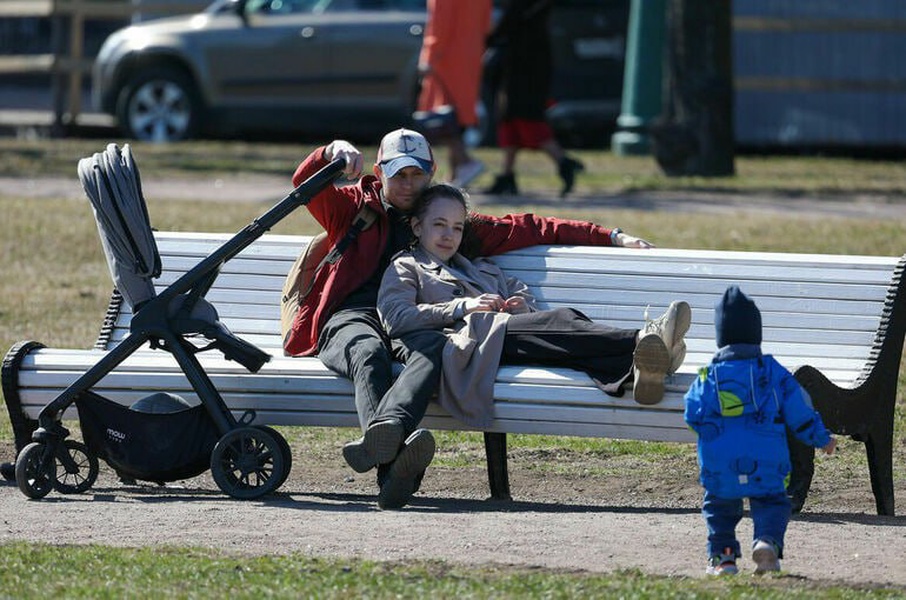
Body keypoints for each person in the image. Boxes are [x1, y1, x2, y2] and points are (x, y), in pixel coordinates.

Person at [285, 127, 656, 509]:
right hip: (352, 316)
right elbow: (303, 184)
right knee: (367, 354)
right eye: (398, 174)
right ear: (379, 172)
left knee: (430, 347)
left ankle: (393, 472)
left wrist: (610, 235)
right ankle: (389, 462)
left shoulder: (446, 220)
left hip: (414, 322)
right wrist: (330, 152)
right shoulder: (352, 208)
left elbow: (530, 227)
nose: (408, 184)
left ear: (431, 172)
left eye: (417, 174)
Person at [376, 184, 691, 429]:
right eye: (439, 225)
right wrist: (463, 307)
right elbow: (396, 318)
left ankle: (638, 371)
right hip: (468, 347)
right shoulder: (406, 266)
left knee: (566, 323)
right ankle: (642, 340)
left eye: (457, 227)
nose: (449, 235)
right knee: (562, 319)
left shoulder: (480, 267)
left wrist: (519, 307)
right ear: (417, 227)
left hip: (503, 338)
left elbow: (519, 292)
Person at [684, 286, 837, 576]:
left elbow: (692, 412)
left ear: (721, 337)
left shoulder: (708, 375)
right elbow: (800, 409)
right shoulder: (772, 372)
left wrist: (711, 433)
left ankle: (724, 559)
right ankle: (766, 541)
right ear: (757, 333)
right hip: (766, 459)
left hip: (721, 463)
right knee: (772, 502)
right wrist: (822, 438)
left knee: (719, 508)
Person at [484, 0, 585, 197]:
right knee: (509, 122)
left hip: (525, 69)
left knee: (527, 121)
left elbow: (509, 23)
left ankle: (564, 162)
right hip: (523, 66)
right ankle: (507, 175)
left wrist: (491, 38)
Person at [416, 0, 491, 188]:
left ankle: (465, 162)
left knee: (442, 116)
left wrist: (429, 57)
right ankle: (454, 175)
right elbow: (486, 24)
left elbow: (439, 24)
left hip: (447, 58)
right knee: (456, 115)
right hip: (470, 53)